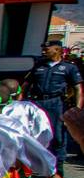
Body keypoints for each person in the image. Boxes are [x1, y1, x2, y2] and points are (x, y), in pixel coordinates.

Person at [24, 39, 81, 167]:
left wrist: (77, 109)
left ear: (57, 50)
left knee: (58, 135)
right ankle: (36, 164)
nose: (43, 51)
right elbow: (27, 84)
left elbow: (78, 88)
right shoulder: (38, 66)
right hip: (37, 102)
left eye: (47, 49)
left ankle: (58, 164)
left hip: (57, 102)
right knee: (35, 132)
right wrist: (21, 102)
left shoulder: (69, 68)